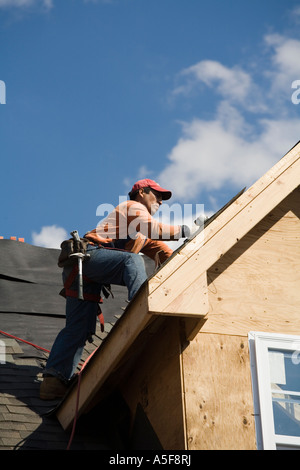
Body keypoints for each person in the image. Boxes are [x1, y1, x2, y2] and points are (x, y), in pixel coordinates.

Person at [39, 179, 191, 400]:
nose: (160, 200)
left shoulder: (140, 233)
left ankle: (53, 381)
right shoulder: (132, 208)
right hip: (90, 257)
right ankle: (141, 309)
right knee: (133, 261)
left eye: (162, 198)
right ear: (141, 193)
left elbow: (165, 254)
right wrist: (190, 229)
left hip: (83, 273)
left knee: (80, 327)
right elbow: (154, 229)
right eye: (156, 195)